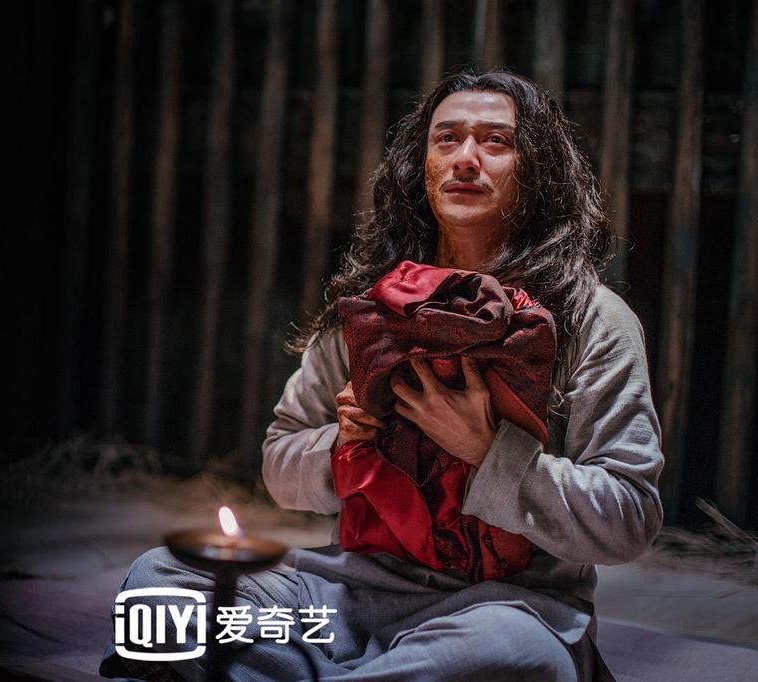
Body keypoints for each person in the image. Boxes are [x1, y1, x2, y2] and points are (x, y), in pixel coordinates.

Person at [99, 69, 663, 681]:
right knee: (162, 581)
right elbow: (280, 464)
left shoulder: (591, 318)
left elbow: (629, 518)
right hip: (347, 599)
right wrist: (343, 442)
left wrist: (488, 451)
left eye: (496, 141)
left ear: (538, 170)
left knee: (511, 653)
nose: (466, 158)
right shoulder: (377, 304)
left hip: (501, 610)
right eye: (447, 138)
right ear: (421, 164)